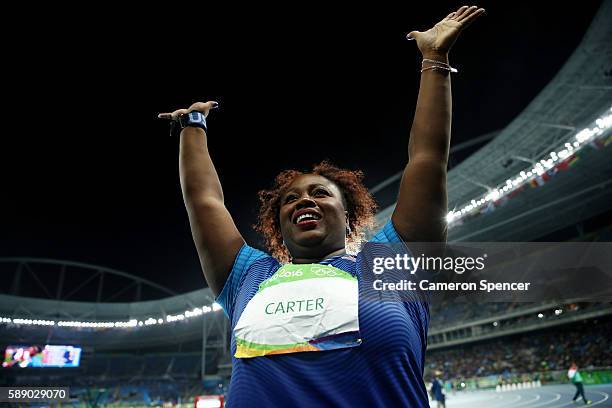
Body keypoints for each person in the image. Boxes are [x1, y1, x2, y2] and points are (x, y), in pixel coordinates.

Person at [159, 5, 484, 407]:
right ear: (279, 226)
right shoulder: (247, 277)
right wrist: (192, 126)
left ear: (349, 215)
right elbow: (203, 202)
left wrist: (434, 60)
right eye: (290, 199)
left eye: (320, 192)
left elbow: (428, 158)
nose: (304, 200)